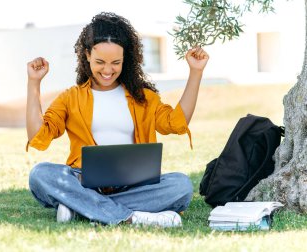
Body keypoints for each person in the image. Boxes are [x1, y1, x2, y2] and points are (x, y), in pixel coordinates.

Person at [26, 12, 209, 227]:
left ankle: (81, 208)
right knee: (40, 174)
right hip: (83, 181)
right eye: (100, 62)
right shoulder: (70, 98)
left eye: (115, 63)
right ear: (87, 55)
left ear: (125, 60)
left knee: (181, 186)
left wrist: (196, 72)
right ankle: (130, 217)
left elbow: (176, 123)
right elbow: (38, 135)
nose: (107, 70)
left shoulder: (144, 98)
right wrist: (33, 83)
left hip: (134, 184)